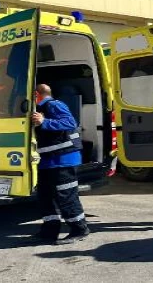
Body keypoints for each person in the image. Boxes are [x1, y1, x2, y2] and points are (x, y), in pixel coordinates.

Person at [30, 84, 89, 244]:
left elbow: (70, 122)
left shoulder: (54, 104)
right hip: (47, 161)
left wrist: (44, 121)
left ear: (36, 94)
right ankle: (50, 229)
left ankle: (79, 229)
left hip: (63, 160)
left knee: (66, 196)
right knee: (45, 196)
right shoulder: (36, 110)